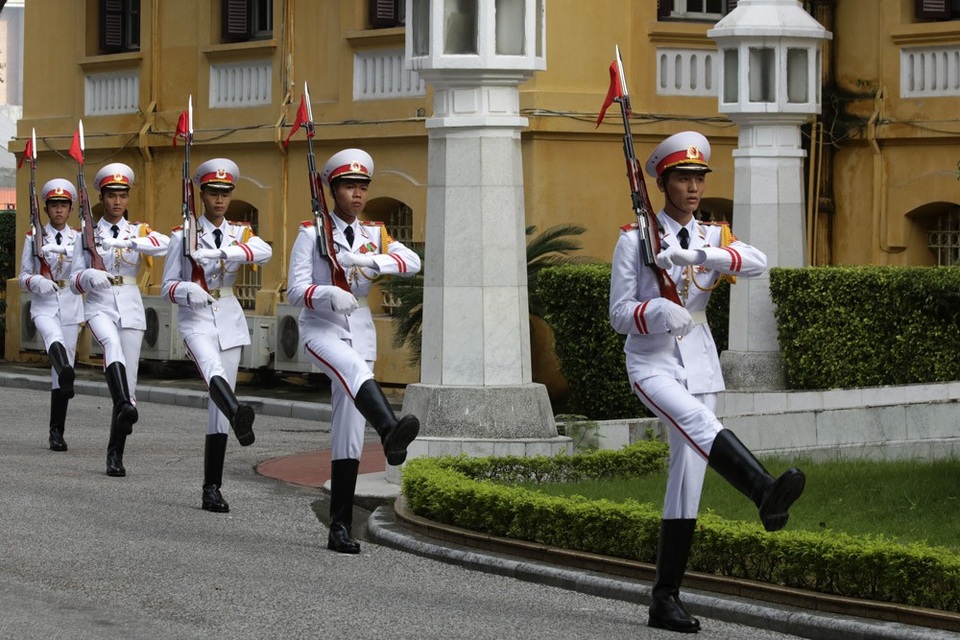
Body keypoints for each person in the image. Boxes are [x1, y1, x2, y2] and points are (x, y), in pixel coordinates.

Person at [608, 131, 806, 634]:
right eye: (682, 178)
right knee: (698, 422)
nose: (693, 187)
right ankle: (762, 488)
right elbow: (619, 314)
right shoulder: (634, 239)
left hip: (699, 364)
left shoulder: (713, 237)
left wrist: (697, 258)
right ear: (663, 182)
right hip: (651, 364)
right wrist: (657, 309)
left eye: (698, 178)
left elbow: (757, 262)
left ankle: (665, 599)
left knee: (688, 476)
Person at [286, 148, 421, 554]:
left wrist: (373, 261)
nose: (357, 194)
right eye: (349, 186)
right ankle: (389, 428)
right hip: (321, 328)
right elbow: (295, 290)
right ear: (332, 189)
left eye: (362, 187)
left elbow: (411, 260)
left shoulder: (374, 234)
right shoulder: (311, 234)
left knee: (347, 428)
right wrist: (328, 293)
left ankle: (339, 526)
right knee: (349, 369)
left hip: (360, 329)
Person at [160, 157, 271, 513]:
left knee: (217, 412)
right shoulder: (183, 234)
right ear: (201, 194)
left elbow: (264, 252)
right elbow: (166, 286)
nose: (219, 200)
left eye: (225, 193)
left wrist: (224, 251)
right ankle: (240, 412)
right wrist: (184, 290)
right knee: (212, 373)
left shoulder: (241, 234)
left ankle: (212, 488)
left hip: (228, 318)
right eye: (212, 193)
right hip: (196, 318)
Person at [70, 162, 170, 477]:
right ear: (102, 197)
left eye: (122, 195)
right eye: (111, 195)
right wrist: (89, 275)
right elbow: (73, 280)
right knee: (110, 344)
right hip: (99, 305)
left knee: (130, 387)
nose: (117, 201)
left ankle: (116, 454)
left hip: (130, 306)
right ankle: (123, 405)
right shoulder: (86, 234)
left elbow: (166, 244)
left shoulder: (138, 231)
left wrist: (128, 243)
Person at [18, 178, 84, 451]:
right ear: (45, 209)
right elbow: (22, 276)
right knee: (53, 340)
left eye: (63, 205)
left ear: (70, 209)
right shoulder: (34, 238)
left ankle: (57, 432)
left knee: (61, 376)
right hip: (44, 304)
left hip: (70, 304)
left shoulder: (80, 238)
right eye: (54, 205)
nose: (59, 210)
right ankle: (65, 368)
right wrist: (36, 282)